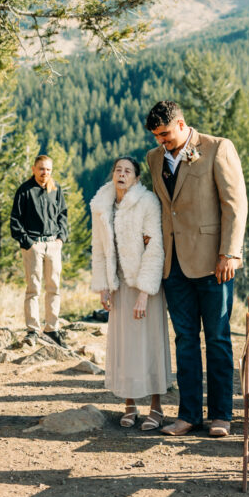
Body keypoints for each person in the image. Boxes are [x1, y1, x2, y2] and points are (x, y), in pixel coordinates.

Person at [145, 101, 247, 437]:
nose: (162, 142)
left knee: (217, 338)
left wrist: (230, 253)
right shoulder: (154, 159)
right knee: (185, 340)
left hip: (213, 262)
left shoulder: (218, 148)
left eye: (166, 134)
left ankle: (221, 415)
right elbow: (165, 209)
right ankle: (188, 415)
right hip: (173, 265)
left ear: (181, 124)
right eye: (157, 136)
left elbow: (235, 204)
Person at [90, 156, 170, 431]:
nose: (121, 174)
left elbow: (155, 246)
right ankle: (130, 404)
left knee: (150, 343)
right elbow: (99, 248)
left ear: (137, 178)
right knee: (125, 345)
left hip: (145, 284)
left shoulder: (147, 202)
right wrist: (103, 285)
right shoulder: (102, 205)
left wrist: (145, 292)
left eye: (127, 171)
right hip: (120, 284)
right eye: (117, 170)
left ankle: (157, 407)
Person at [10, 155, 69, 346]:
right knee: (33, 289)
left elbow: (63, 215)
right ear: (34, 169)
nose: (45, 173)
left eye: (48, 169)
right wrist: (28, 243)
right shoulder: (24, 191)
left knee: (54, 288)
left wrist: (61, 239)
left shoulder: (55, 189)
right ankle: (33, 330)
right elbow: (15, 221)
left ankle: (52, 329)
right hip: (33, 245)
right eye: (42, 169)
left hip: (53, 244)